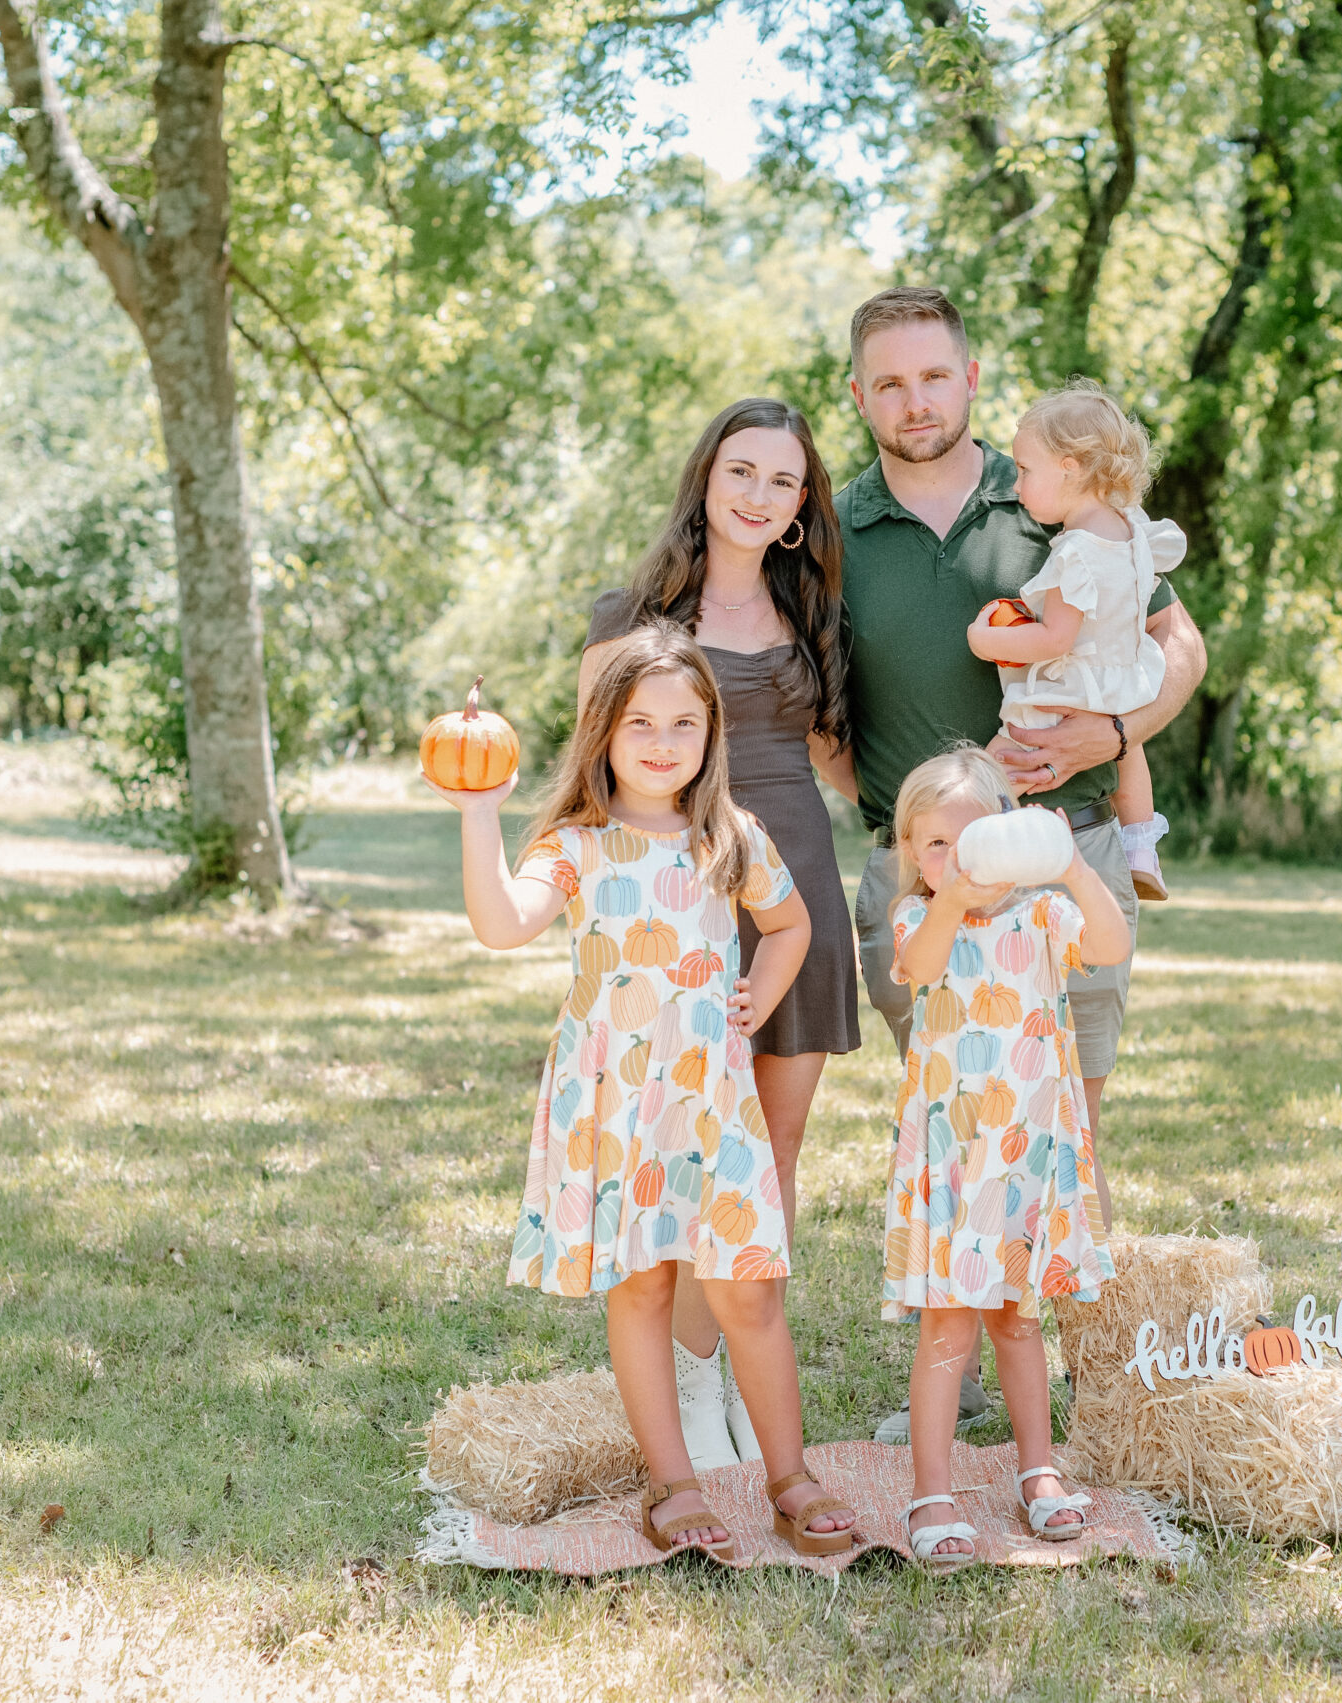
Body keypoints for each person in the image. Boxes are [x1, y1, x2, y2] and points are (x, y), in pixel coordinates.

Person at [837, 285, 1206, 1436]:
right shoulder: (831, 524)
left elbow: (1174, 638)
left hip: (1068, 853)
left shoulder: (1053, 488)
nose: (914, 400)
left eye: (933, 375)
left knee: (1066, 1119)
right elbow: (803, 692)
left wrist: (1115, 733)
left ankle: (1076, 1378)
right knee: (952, 1122)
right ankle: (960, 1369)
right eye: (888, 381)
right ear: (859, 396)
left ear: (970, 378)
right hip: (924, 881)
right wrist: (889, 808)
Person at [426, 626, 857, 1560]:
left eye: (685, 723)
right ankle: (675, 1482)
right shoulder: (577, 844)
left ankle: (788, 1473)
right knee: (645, 1287)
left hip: (709, 1099)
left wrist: (756, 999)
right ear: (603, 733)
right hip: (619, 1103)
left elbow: (790, 925)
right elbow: (502, 923)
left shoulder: (727, 836)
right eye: (639, 723)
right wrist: (479, 810)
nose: (663, 742)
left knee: (749, 1289)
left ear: (711, 734)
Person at [582, 398, 861, 1474]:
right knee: (678, 1156)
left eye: (781, 481)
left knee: (768, 1157)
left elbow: (844, 759)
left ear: (799, 508)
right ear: (706, 480)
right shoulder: (630, 613)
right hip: (678, 910)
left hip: (794, 895)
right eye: (739, 471)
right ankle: (688, 1384)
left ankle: (736, 1373)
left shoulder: (816, 617)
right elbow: (592, 773)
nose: (757, 495)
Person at [877, 746, 1124, 1565]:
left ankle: (1038, 1468)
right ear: (912, 854)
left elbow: (1113, 945)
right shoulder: (921, 918)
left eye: (971, 838)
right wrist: (950, 894)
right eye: (933, 845)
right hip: (956, 1159)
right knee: (948, 1327)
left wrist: (1070, 867)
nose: (951, 857)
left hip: (1025, 1158)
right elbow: (918, 967)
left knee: (1020, 1321)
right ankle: (933, 1489)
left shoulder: (1044, 918)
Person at [969, 380, 1186, 898]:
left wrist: (984, 640)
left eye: (1025, 471)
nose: (1017, 486)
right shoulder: (1132, 533)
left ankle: (977, 852)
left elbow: (1055, 639)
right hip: (1124, 677)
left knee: (994, 766)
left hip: (1072, 684)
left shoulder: (1075, 554)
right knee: (1125, 747)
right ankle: (1139, 844)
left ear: (1069, 467)